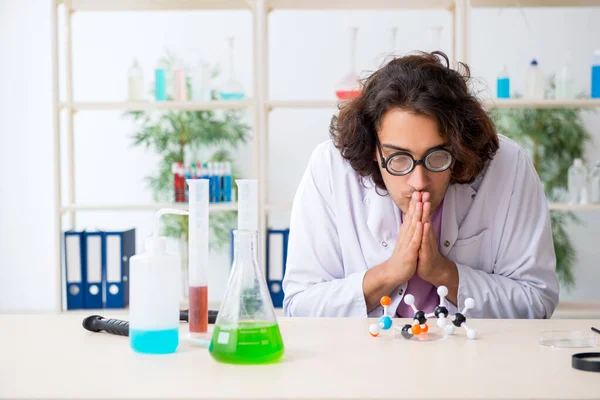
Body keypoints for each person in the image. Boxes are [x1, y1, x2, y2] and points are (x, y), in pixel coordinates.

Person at [282, 51, 559, 319]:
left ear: (460, 147)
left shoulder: (507, 165)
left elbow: (536, 301)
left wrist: (442, 273)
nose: (419, 182)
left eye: (437, 156)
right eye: (398, 159)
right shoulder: (331, 168)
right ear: (373, 151)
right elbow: (300, 305)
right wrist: (390, 272)